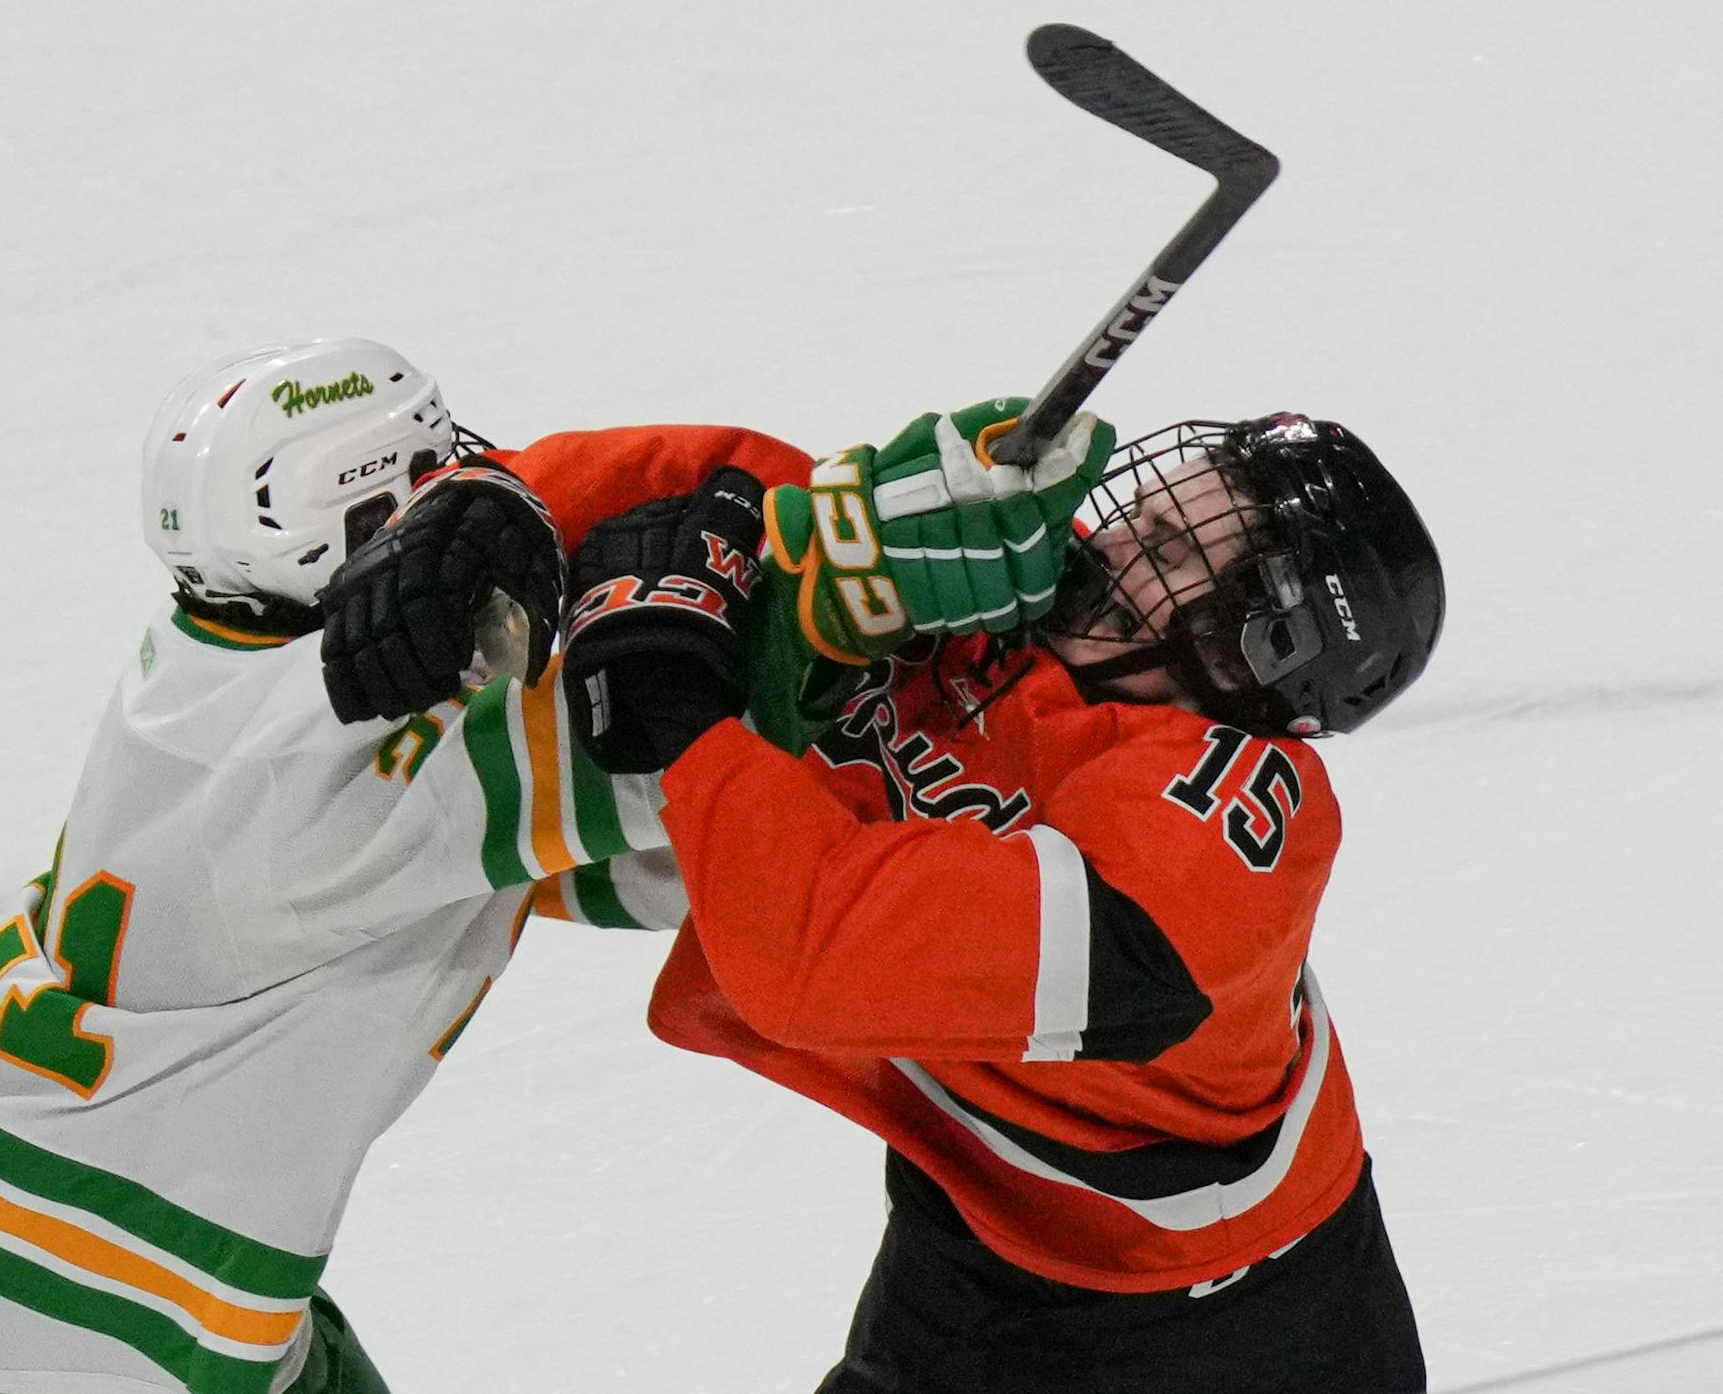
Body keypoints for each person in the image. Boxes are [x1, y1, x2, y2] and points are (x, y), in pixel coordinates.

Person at [0, 337, 820, 1394]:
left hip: (29, 1256)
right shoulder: (335, 768)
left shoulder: (213, 671)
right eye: (431, 478)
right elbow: (658, 742)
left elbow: (591, 866)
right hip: (88, 1327)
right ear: (359, 522)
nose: (467, 489)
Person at [551, 403, 1446, 1393]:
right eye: (1139, 509)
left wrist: (688, 715)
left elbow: (808, 951)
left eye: (1158, 541)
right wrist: (869, 513)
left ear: (1247, 648)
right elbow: (737, 479)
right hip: (985, 1220)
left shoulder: (1208, 846)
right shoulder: (1052, 612)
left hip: (1233, 1328)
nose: (1101, 538)